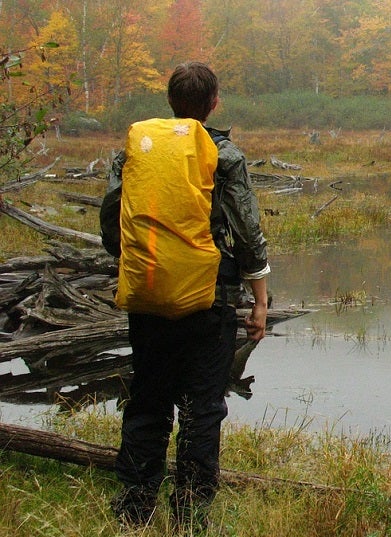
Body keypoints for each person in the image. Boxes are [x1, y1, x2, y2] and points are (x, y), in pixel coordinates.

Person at [99, 61, 270, 530]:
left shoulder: (136, 150)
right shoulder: (225, 155)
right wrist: (259, 300)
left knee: (148, 398)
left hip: (149, 293)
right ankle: (191, 514)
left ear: (170, 101)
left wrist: (141, 263)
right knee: (202, 407)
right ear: (214, 103)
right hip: (208, 299)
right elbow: (248, 233)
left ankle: (134, 507)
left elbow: (113, 225)